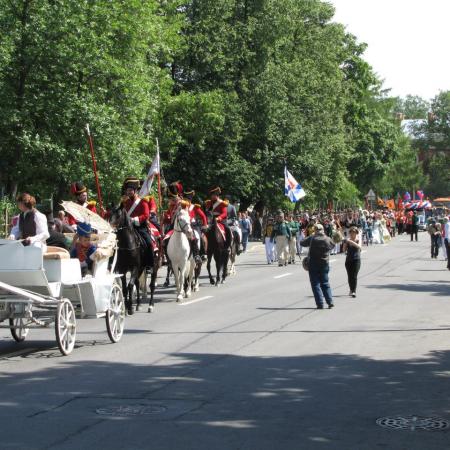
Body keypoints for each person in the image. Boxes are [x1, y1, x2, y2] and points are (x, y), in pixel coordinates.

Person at [300, 223, 335, 309]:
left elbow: (302, 242)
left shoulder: (312, 238)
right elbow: (333, 245)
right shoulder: (327, 238)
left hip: (313, 264)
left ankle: (320, 304)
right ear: (322, 230)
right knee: (325, 283)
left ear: (315, 230)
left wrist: (311, 236)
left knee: (315, 284)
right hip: (324, 264)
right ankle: (330, 301)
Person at [121, 176, 154, 268]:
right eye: (127, 190)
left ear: (135, 190)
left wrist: (134, 219)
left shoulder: (143, 201)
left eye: (130, 190)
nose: (128, 192)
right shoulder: (125, 202)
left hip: (140, 227)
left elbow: (146, 215)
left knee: (149, 243)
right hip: (128, 227)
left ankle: (149, 265)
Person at [184, 189, 208, 263]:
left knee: (199, 237)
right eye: (186, 199)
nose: (188, 200)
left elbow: (203, 216)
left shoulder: (194, 207)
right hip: (184, 225)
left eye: (189, 199)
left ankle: (202, 254)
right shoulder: (182, 206)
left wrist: (205, 225)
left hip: (193, 225)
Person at [343, 226, 362, 298]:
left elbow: (359, 247)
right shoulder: (347, 240)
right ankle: (351, 289)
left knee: (354, 276)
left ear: (356, 233)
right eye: (351, 232)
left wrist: (350, 241)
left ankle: (354, 291)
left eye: (354, 232)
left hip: (356, 260)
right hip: (348, 260)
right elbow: (344, 250)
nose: (352, 234)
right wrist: (345, 243)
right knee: (350, 276)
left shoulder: (358, 239)